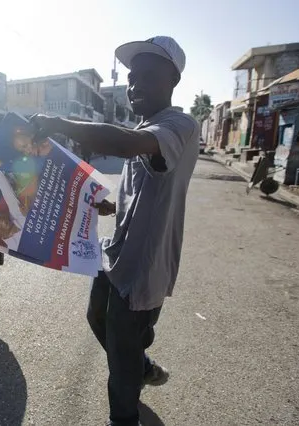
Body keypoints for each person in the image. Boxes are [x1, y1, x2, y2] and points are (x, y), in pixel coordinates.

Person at [32, 36, 199, 426]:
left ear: (172, 81)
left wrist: (58, 124)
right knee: (97, 319)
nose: (135, 85)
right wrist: (109, 205)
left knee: (119, 366)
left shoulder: (179, 125)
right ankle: (140, 362)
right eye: (131, 77)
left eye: (147, 76)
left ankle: (125, 410)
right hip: (115, 256)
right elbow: (140, 189)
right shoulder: (146, 127)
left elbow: (126, 144)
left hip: (143, 267)